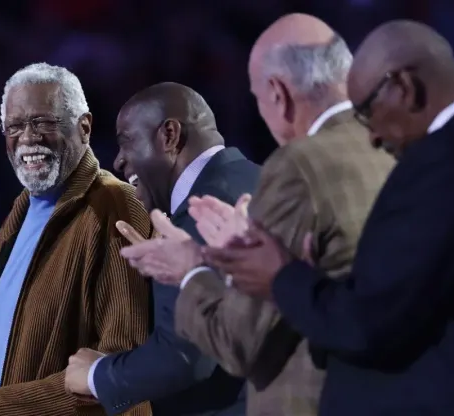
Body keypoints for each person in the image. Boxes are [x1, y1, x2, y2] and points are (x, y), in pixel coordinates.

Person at [203, 20, 454, 416]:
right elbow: (411, 304)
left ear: (404, 87)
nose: (374, 137)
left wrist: (281, 276)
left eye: (367, 112)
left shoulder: (447, 160)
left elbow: (369, 325)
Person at [120, 14, 394, 415]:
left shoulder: (298, 167)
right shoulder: (393, 151)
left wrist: (190, 269)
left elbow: (240, 344)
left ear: (278, 93)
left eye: (258, 98)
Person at [0, 63, 152, 416]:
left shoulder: (115, 205)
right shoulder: (18, 215)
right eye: (14, 126)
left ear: (84, 128)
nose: (27, 138)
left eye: (43, 122)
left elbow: (121, 371)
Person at [63, 82, 259, 416]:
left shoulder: (202, 210)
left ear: (169, 135)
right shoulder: (255, 179)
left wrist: (97, 376)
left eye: (127, 141)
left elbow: (186, 357)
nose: (119, 159)